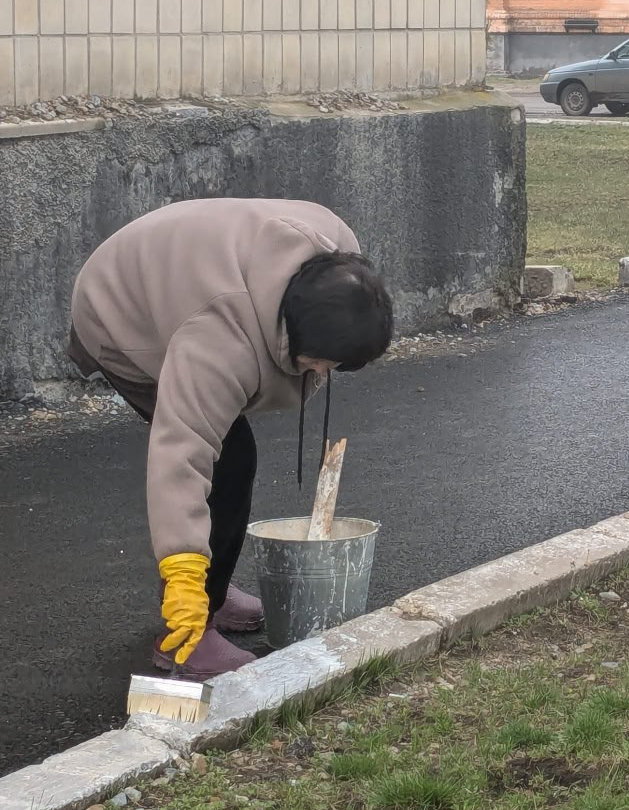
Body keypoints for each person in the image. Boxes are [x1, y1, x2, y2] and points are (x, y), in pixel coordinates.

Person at [67, 199, 394, 679]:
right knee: (229, 462)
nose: (326, 373)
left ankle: (211, 593)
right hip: (118, 311)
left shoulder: (339, 263)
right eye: (321, 361)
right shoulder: (217, 342)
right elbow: (181, 456)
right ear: (293, 332)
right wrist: (182, 574)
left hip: (177, 268)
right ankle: (187, 629)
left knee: (233, 455)